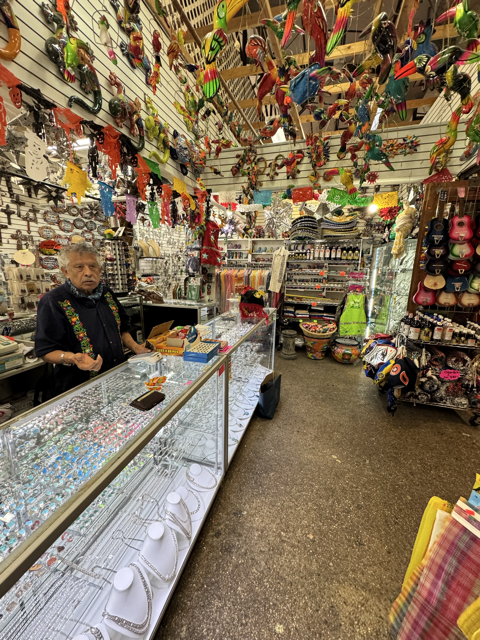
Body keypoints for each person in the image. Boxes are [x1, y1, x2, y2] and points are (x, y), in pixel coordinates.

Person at [35, 242, 150, 395]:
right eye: (79, 267)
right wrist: (72, 358)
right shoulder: (53, 301)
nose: (88, 273)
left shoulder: (107, 294)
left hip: (118, 378)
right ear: (66, 271)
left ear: (100, 270)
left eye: (92, 266)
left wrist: (135, 347)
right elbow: (45, 351)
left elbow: (122, 328)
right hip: (79, 387)